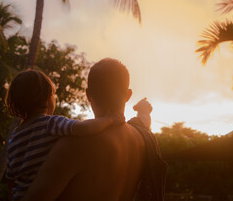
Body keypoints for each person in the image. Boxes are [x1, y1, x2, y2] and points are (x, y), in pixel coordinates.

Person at [22, 58, 167, 201]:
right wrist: (144, 110)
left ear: (88, 95)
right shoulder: (141, 139)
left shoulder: (75, 144)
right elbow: (143, 122)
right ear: (128, 95)